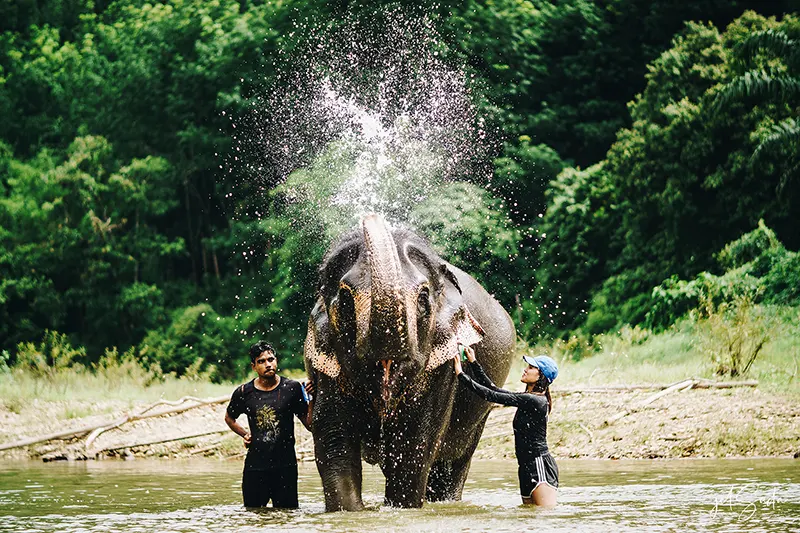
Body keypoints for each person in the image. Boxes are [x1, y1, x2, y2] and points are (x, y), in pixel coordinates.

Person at [453, 347, 559, 507]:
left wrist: (461, 375)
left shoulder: (536, 401)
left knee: (544, 519)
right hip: (524, 466)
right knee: (529, 519)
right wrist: (474, 363)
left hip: (539, 465)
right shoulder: (528, 398)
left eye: (531, 367)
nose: (525, 369)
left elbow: (491, 395)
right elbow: (494, 389)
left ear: (540, 376)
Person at [224, 341, 314, 509]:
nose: (268, 364)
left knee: (287, 517)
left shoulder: (291, 388)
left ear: (276, 361)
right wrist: (244, 434)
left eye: (271, 359)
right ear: (253, 366)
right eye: (261, 361)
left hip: (285, 468)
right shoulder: (244, 392)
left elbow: (310, 424)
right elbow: (229, 418)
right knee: (254, 516)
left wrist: (311, 399)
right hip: (255, 468)